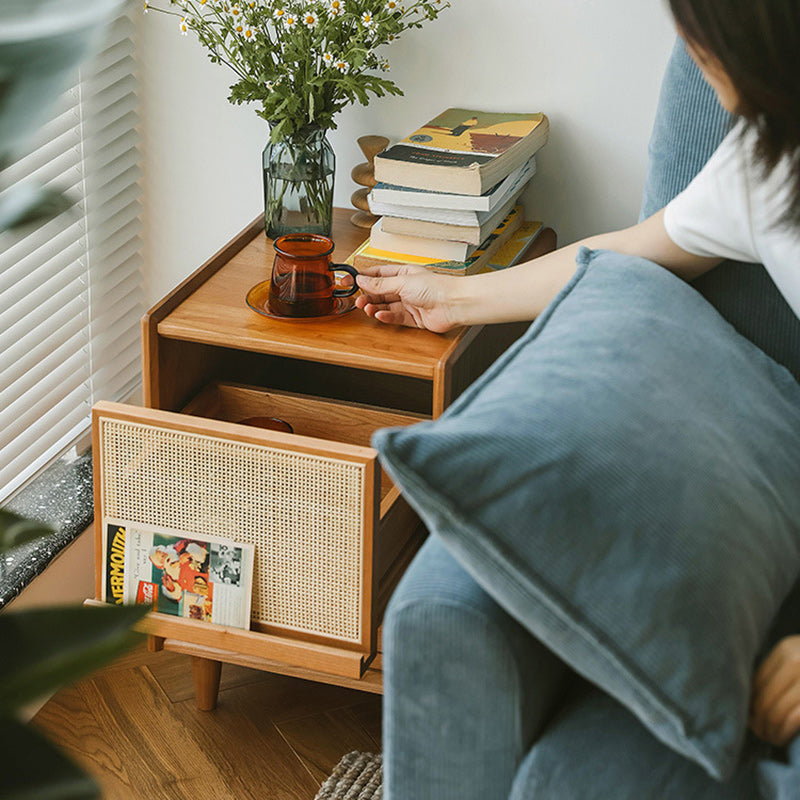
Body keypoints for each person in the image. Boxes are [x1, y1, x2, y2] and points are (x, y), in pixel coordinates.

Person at [356, 0, 800, 750]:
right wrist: (455, 299)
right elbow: (639, 249)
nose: (688, 48)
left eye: (695, 29)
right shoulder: (762, 161)